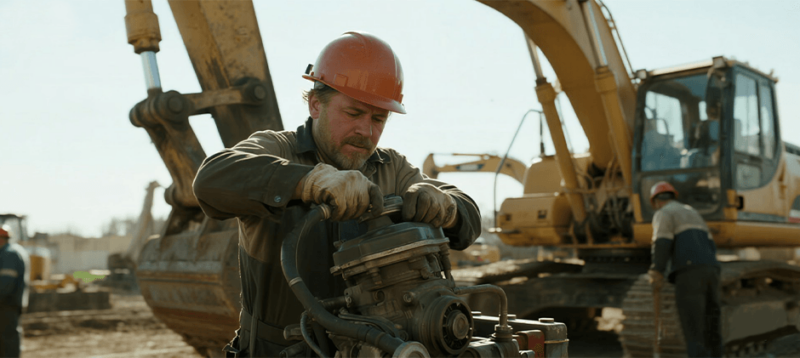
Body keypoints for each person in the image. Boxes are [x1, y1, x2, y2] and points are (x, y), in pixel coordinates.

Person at [193, 31, 480, 357]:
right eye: (354, 113)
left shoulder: (392, 168)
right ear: (316, 104)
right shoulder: (279, 149)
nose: (366, 131)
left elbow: (468, 215)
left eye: (379, 118)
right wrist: (306, 183)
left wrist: (449, 207)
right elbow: (211, 179)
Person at [648, 181, 722, 357]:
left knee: (693, 329)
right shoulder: (693, 212)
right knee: (712, 327)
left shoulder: (664, 213)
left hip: (689, 274)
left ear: (657, 201)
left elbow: (662, 242)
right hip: (711, 270)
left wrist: (657, 270)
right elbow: (711, 245)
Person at [0, 225, 30, 358]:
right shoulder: (13, 251)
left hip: (6, 304)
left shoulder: (9, 254)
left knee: (7, 340)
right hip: (10, 304)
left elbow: (5, 284)